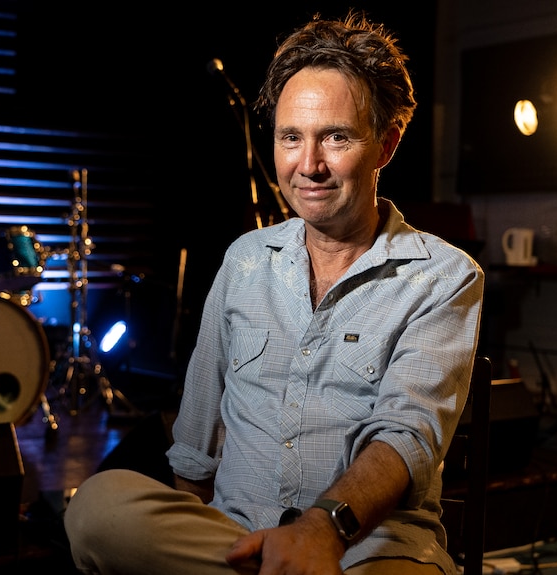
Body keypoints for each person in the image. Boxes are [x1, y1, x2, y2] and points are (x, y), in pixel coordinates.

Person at [65, 10, 484, 575]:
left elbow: (406, 435)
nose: (308, 166)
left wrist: (321, 531)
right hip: (233, 542)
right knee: (97, 508)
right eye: (291, 138)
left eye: (335, 137)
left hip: (365, 552)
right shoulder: (244, 260)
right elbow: (196, 435)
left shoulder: (444, 278)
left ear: (386, 144)